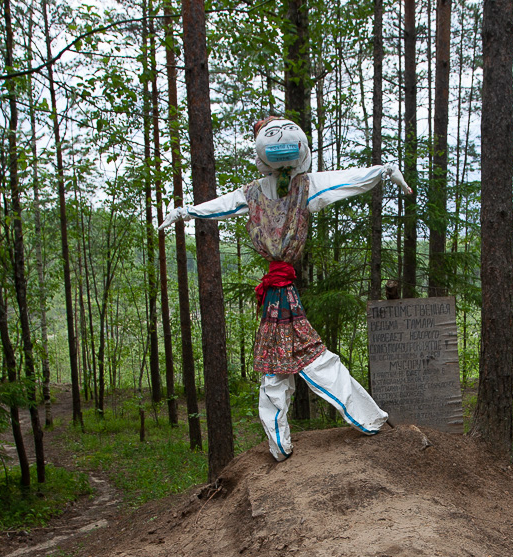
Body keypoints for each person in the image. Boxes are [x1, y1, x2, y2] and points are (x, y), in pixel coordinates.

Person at [161, 116, 413, 461]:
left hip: (279, 297)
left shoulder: (294, 188)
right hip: (279, 297)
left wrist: (381, 171)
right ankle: (355, 422)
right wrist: (186, 212)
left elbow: (344, 181)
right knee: (298, 364)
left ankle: (311, 436)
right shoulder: (274, 190)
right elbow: (223, 205)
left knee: (291, 366)